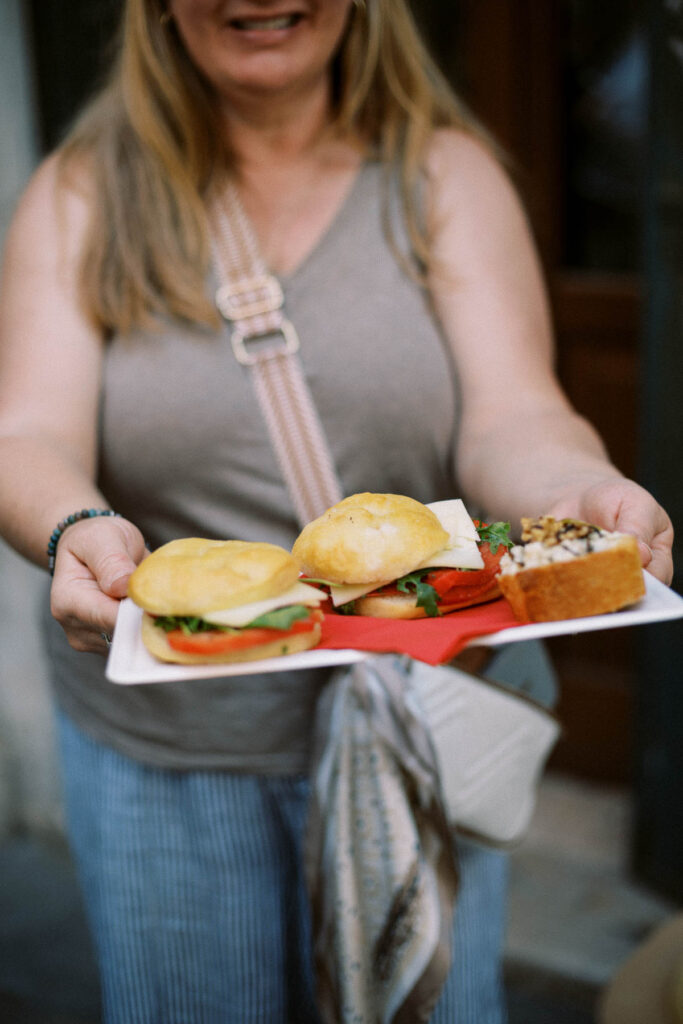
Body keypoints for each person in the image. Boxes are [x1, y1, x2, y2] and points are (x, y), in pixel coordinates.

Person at [0, 1, 673, 1022]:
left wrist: (571, 496)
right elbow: (25, 434)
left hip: (419, 719)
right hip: (169, 755)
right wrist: (68, 526)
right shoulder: (79, 194)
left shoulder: (442, 173)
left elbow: (514, 412)